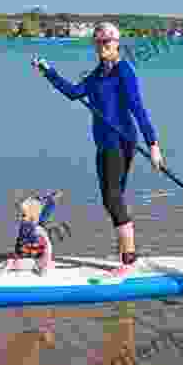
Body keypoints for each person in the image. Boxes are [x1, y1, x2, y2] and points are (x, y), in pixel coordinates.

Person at [31, 22, 165, 277]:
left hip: (121, 142)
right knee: (112, 199)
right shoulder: (97, 75)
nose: (102, 46)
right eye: (98, 42)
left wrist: (153, 145)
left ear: (117, 43)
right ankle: (127, 254)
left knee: (113, 198)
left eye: (106, 42)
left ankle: (128, 259)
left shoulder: (124, 72)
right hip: (103, 144)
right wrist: (48, 71)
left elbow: (138, 109)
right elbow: (73, 92)